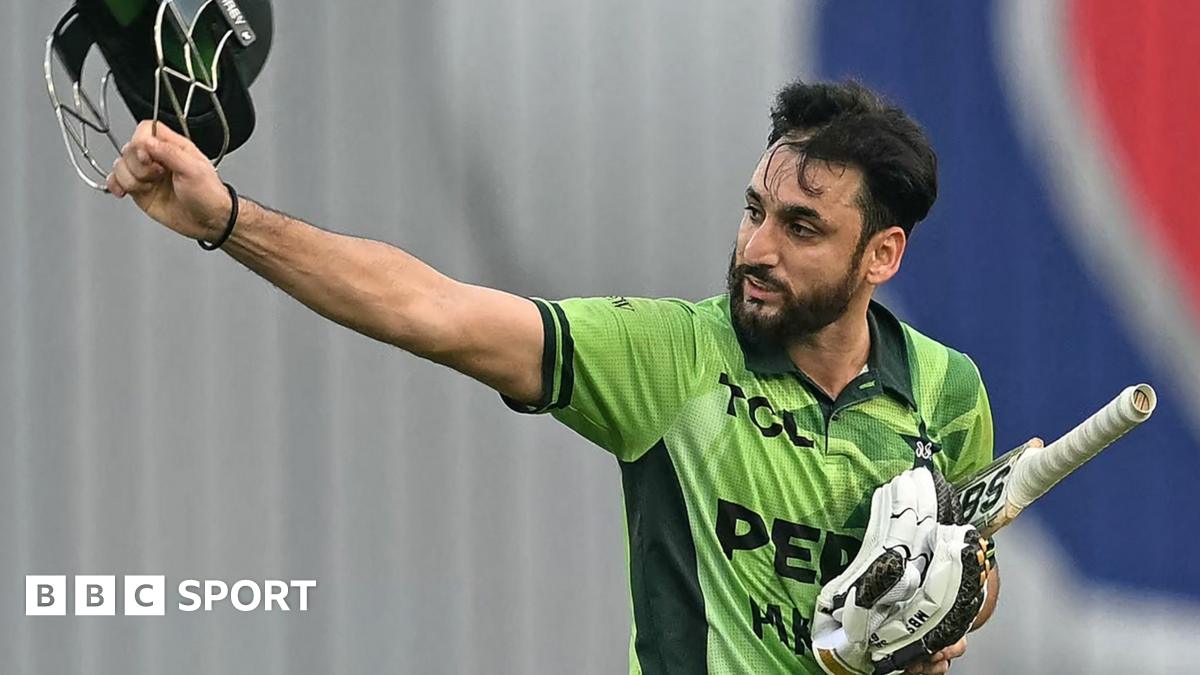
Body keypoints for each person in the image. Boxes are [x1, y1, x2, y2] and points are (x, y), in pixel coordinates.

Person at [106, 80, 999, 674]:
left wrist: (948, 606)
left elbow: (974, 574)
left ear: (882, 254)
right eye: (755, 211)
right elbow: (430, 310)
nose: (756, 250)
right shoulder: (672, 357)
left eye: (802, 229)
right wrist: (226, 218)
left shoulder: (945, 392)